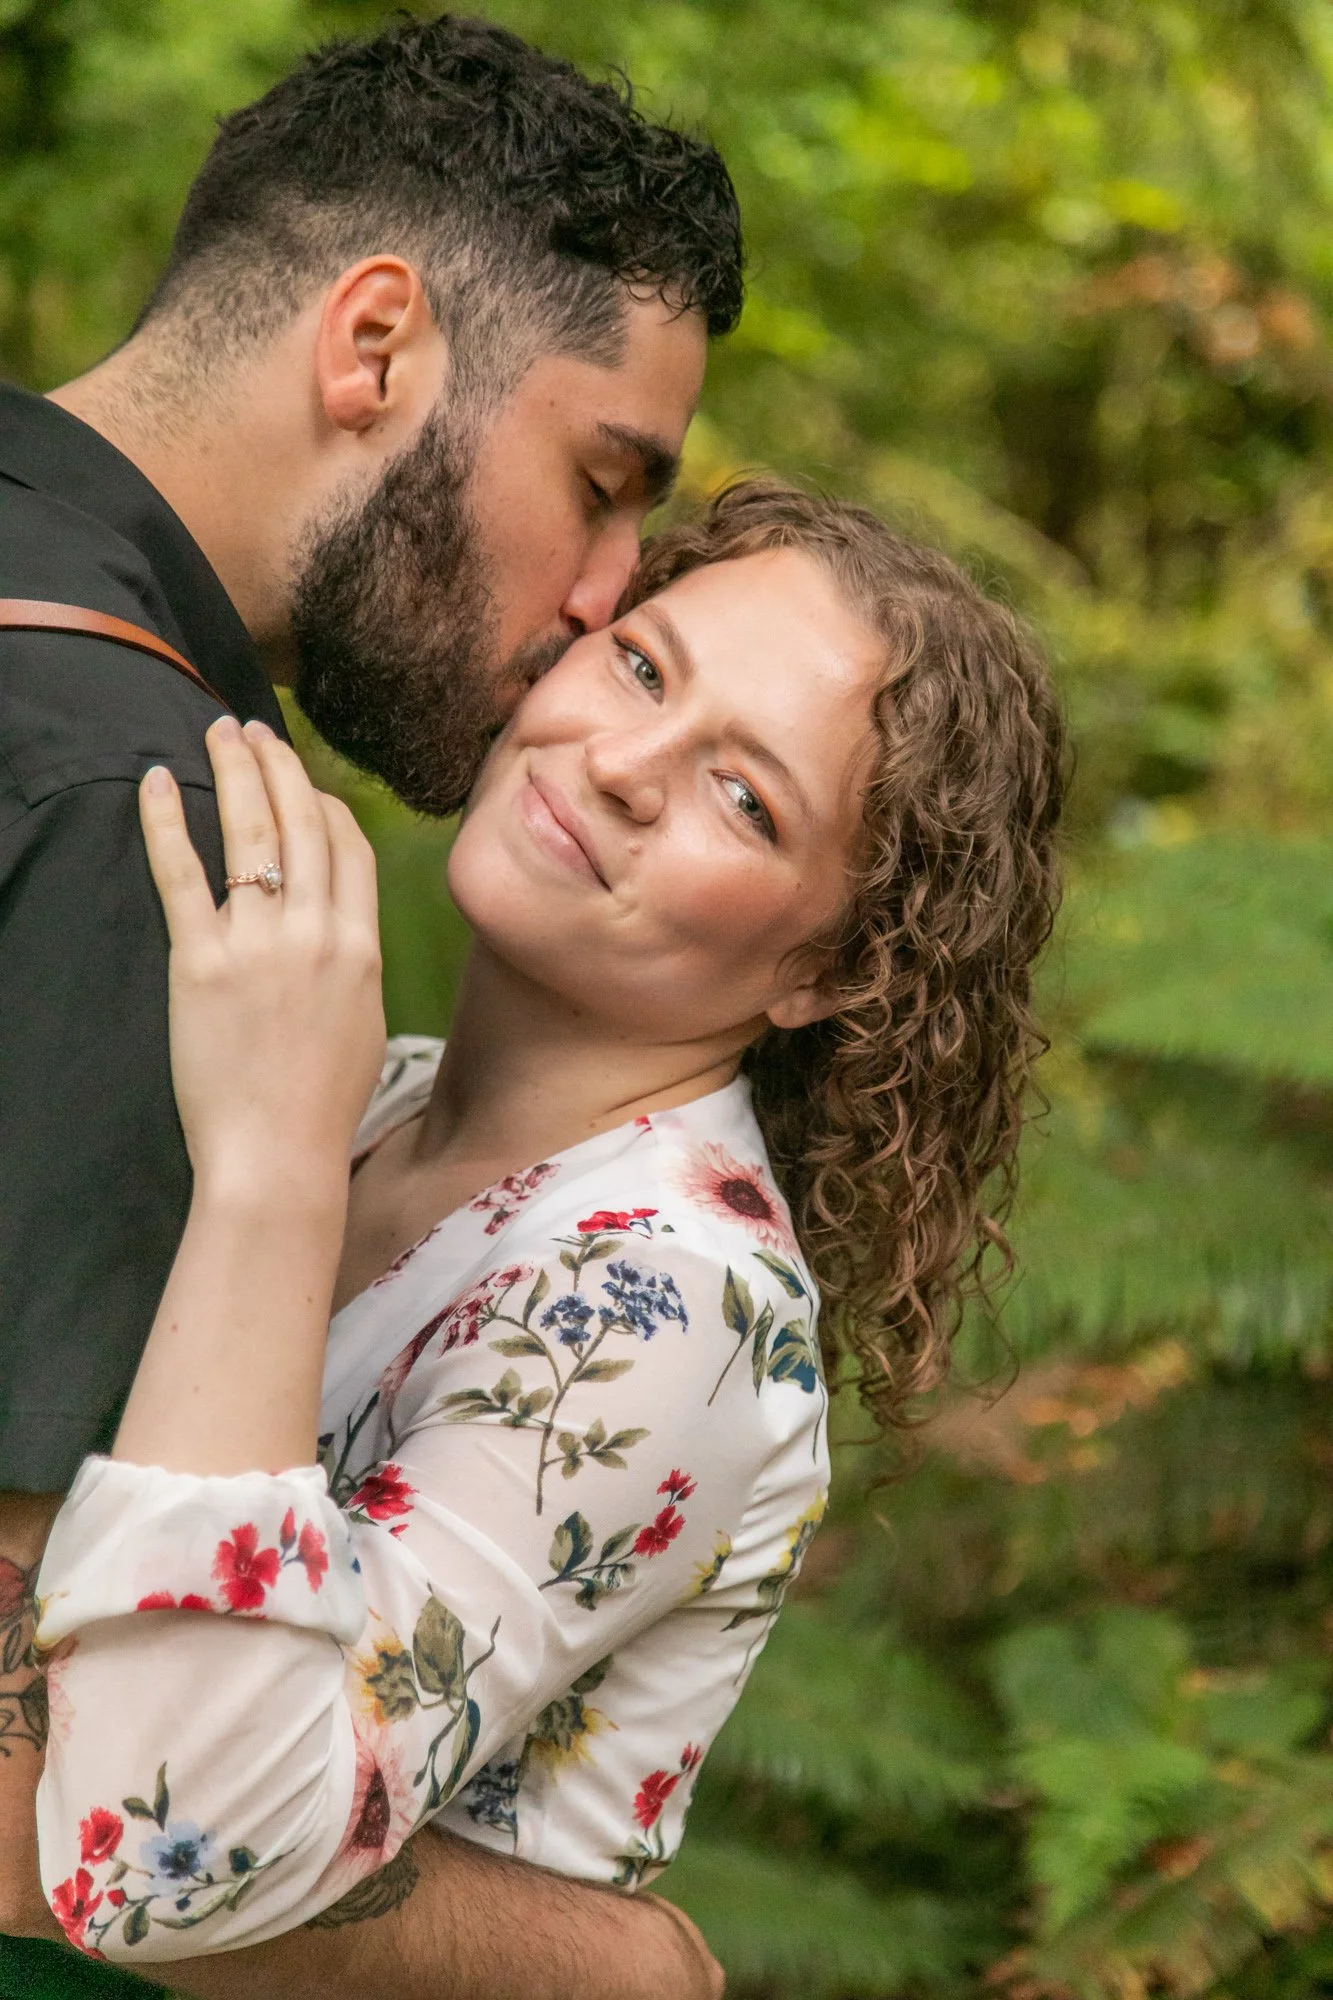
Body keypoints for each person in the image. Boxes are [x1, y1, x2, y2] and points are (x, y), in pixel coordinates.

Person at [29, 479, 1066, 1972]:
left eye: (746, 797)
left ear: (827, 974)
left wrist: (262, 1170)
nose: (629, 763)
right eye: (643, 665)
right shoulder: (378, 1100)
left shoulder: (671, 1299)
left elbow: (165, 1861)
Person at [0, 13, 742, 1998]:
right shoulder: (150, 827)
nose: (603, 592)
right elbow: (63, 1792)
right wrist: (593, 1963)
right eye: (601, 481)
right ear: (379, 346)